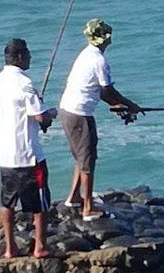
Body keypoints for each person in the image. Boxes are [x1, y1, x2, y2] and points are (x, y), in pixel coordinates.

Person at [58, 18, 143, 218]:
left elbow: (102, 93)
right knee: (87, 160)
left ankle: (74, 198)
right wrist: (130, 105)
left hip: (68, 111)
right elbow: (107, 89)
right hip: (80, 115)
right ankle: (88, 208)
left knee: (81, 156)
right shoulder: (99, 60)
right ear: (105, 39)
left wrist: (117, 105)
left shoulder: (86, 54)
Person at [0, 36, 55, 259]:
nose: (30, 57)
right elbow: (40, 117)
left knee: (8, 201)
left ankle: (10, 248)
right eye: (28, 54)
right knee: (40, 202)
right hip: (28, 154)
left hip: (4, 155)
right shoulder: (24, 84)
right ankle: (40, 246)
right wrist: (49, 115)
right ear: (19, 57)